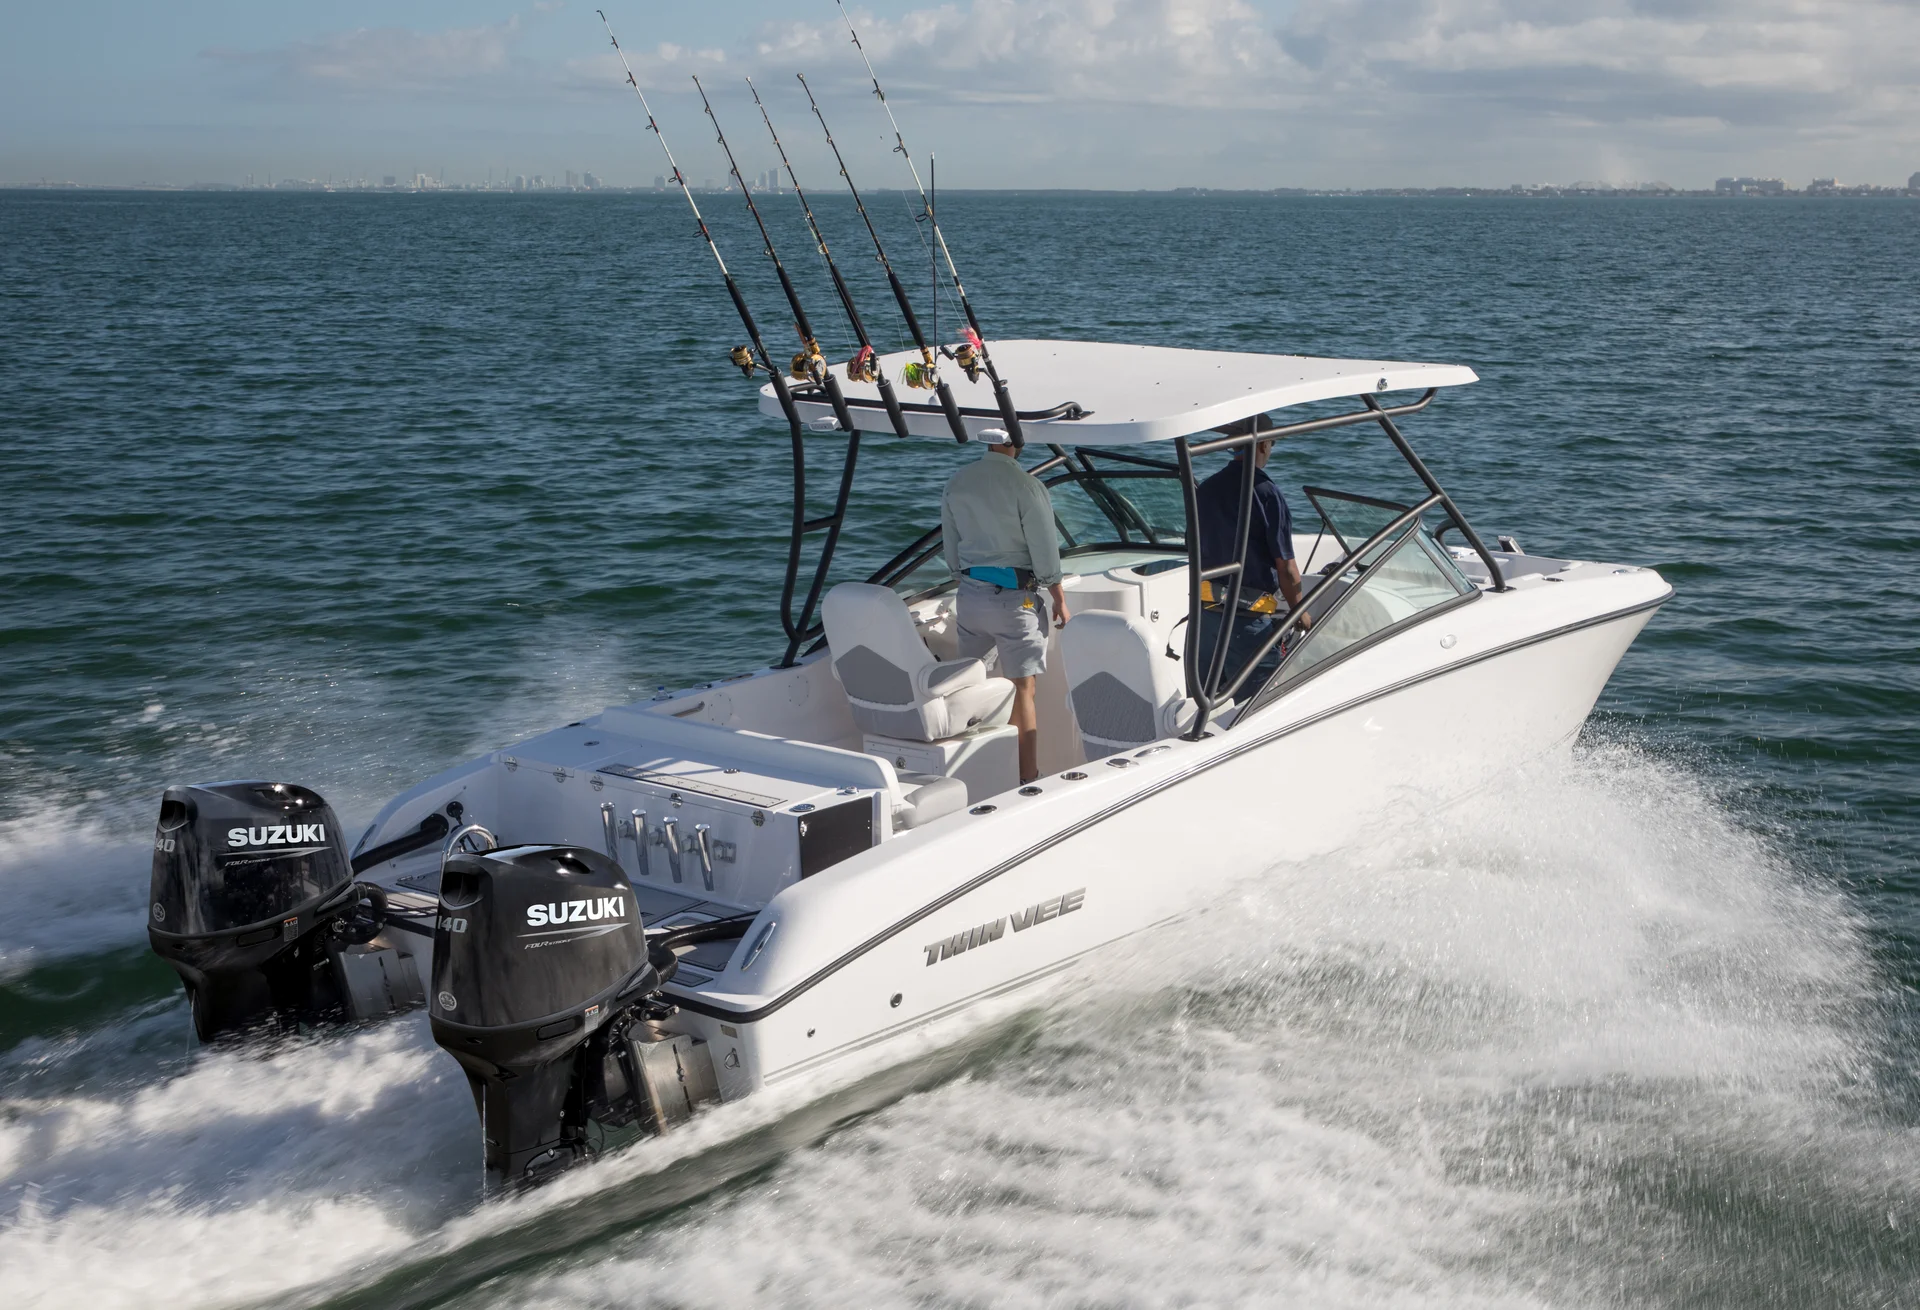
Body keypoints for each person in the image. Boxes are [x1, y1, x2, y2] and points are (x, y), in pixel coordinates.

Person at [939, 430, 1071, 783]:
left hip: (970, 598)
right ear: (1018, 443)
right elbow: (1044, 550)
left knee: (971, 687)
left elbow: (951, 545)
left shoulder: (957, 482)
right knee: (1022, 689)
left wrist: (965, 581)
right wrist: (1059, 598)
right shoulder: (1027, 486)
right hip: (1017, 601)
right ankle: (1026, 779)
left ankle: (975, 775)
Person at [1194, 434, 1310, 689]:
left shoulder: (1207, 488)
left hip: (1205, 618)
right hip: (1247, 621)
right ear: (1263, 444)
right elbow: (1286, 568)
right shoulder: (1267, 493)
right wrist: (1300, 612)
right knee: (1256, 705)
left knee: (1206, 699)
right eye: (1272, 443)